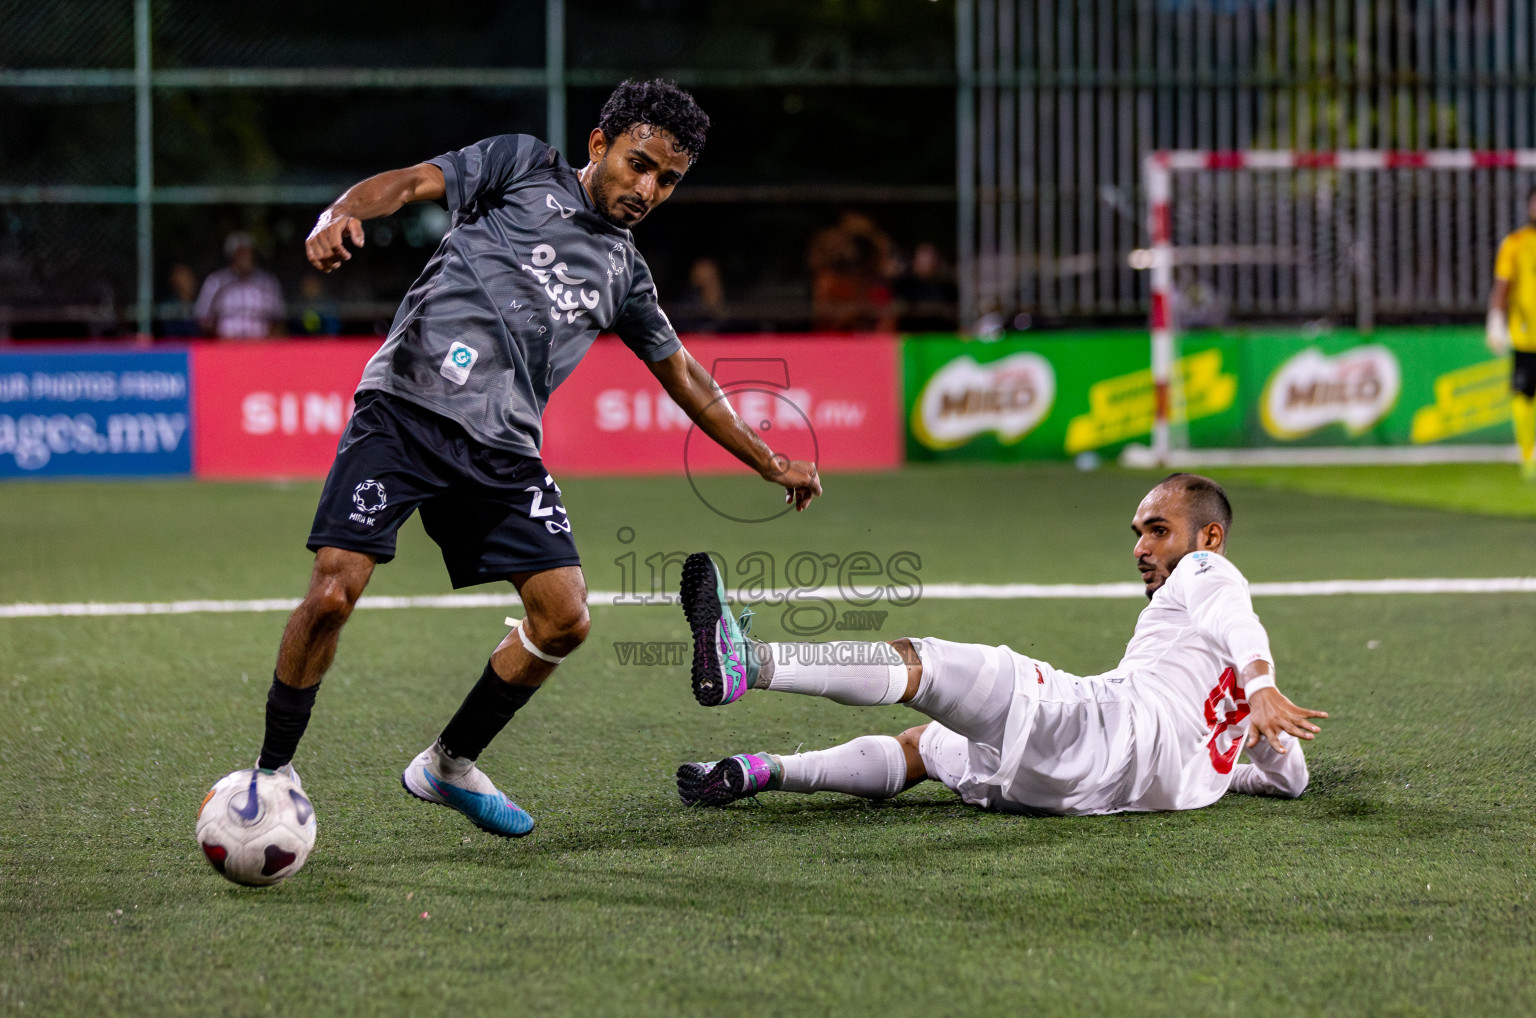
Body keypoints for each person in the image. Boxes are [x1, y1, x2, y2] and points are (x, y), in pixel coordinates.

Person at [251, 79, 821, 840]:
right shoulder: (521, 167)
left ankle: (448, 763)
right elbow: (414, 182)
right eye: (638, 163)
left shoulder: (626, 274)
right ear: (599, 145)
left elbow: (682, 373)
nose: (647, 188)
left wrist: (766, 460)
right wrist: (341, 212)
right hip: (406, 408)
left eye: (668, 179)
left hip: (503, 450)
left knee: (564, 617)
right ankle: (271, 774)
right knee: (331, 593)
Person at [676, 473, 1325, 816]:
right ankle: (765, 772)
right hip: (1072, 797)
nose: (1140, 548)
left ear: (1208, 538)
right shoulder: (1232, 704)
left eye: (1158, 530)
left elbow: (1238, 617)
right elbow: (1288, 781)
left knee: (921, 662)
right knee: (923, 750)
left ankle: (751, 664)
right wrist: (1216, 762)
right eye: (1138, 532)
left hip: (1089, 725)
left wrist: (1262, 682)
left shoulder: (1207, 573)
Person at [1487, 186, 1536, 481]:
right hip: (1525, 336)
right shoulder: (1515, 243)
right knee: (1523, 393)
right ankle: (1526, 454)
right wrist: (1495, 319)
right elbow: (1502, 285)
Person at [194, 232, 286, 338]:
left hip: (260, 345)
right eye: (242, 253)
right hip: (225, 346)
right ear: (232, 256)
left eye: (249, 252)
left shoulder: (268, 282)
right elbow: (202, 318)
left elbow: (279, 319)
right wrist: (218, 338)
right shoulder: (216, 281)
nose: (246, 257)